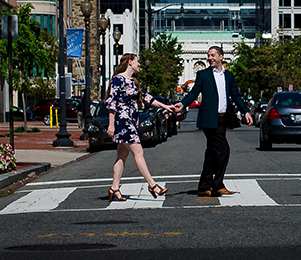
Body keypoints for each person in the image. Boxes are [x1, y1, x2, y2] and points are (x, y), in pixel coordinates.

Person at [173, 45, 252, 197]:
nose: (209, 58)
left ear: (221, 57)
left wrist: (245, 111)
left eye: (212, 55)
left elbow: (235, 95)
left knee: (212, 152)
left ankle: (204, 186)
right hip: (209, 119)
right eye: (208, 55)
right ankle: (217, 184)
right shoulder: (203, 74)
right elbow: (194, 92)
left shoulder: (229, 76)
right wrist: (182, 104)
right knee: (224, 150)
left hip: (222, 119)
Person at [104, 53, 178, 202]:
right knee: (139, 152)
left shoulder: (135, 82)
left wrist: (166, 106)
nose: (140, 65)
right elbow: (112, 102)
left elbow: (147, 98)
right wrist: (111, 124)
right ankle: (152, 184)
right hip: (122, 121)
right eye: (138, 62)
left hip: (131, 120)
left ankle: (115, 188)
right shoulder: (118, 79)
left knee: (121, 156)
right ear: (130, 62)